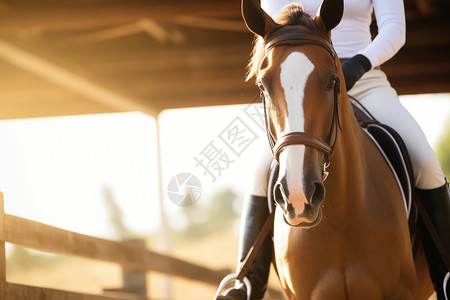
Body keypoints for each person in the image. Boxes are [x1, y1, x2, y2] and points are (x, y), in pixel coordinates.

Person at [216, 0, 450, 299]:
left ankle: (446, 276)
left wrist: (359, 63)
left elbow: (395, 29)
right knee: (261, 173)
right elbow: (272, 35)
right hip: (300, 87)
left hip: (364, 80)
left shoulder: (362, 69)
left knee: (425, 162)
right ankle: (246, 283)